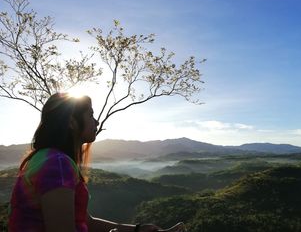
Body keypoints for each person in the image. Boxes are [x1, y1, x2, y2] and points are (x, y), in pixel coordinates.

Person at [8, 93, 184, 232]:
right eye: (91, 114)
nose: (97, 121)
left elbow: (85, 221)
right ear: (71, 122)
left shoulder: (50, 159)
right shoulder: (58, 164)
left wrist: (136, 229)